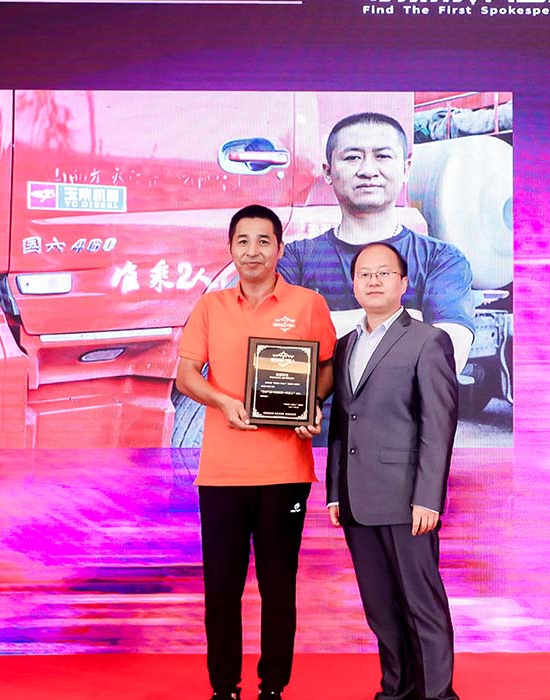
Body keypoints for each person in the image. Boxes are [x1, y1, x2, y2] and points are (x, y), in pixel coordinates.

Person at [176, 204, 336, 700]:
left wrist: (313, 402)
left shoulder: (308, 304)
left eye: (263, 241)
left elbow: (326, 368)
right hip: (221, 475)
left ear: (280, 249)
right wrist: (222, 400)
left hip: (285, 472)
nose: (252, 251)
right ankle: (224, 688)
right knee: (222, 589)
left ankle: (273, 688)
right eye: (242, 241)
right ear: (230, 248)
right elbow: (185, 375)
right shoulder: (211, 307)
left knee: (278, 587)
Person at [321, 241, 461, 700]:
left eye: (384, 273)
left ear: (403, 283)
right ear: (353, 285)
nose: (374, 281)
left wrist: (428, 498)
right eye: (364, 274)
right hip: (357, 499)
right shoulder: (345, 345)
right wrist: (335, 490)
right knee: (380, 608)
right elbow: (342, 423)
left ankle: (437, 694)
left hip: (406, 499)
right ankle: (396, 691)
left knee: (422, 604)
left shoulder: (428, 340)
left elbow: (438, 425)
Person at [278, 111, 475, 375]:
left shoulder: (440, 260)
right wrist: (408, 322)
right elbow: (274, 360)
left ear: (406, 168)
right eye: (352, 157)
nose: (368, 171)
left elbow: (443, 363)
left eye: (382, 156)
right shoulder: (294, 261)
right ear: (328, 171)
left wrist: (317, 330)